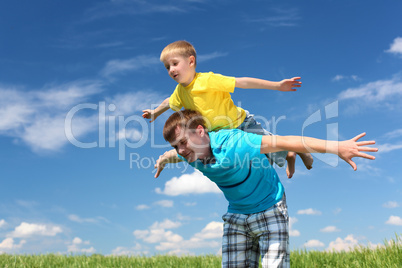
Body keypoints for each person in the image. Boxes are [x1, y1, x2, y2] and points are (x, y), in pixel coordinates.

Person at [154, 109, 377, 268]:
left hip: (270, 207)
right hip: (237, 216)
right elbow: (175, 156)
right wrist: (164, 159)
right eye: (176, 145)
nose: (181, 150)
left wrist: (337, 147)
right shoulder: (191, 154)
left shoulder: (236, 142)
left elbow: (288, 140)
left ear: (200, 131)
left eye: (183, 142)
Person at [142, 40, 313, 178]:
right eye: (167, 67)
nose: (171, 70)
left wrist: (277, 86)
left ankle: (297, 150)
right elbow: (169, 101)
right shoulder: (179, 92)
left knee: (270, 144)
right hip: (218, 134)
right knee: (257, 159)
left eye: (174, 64)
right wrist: (155, 112)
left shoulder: (208, 80)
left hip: (240, 123)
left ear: (191, 61)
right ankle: (289, 155)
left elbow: (242, 82)